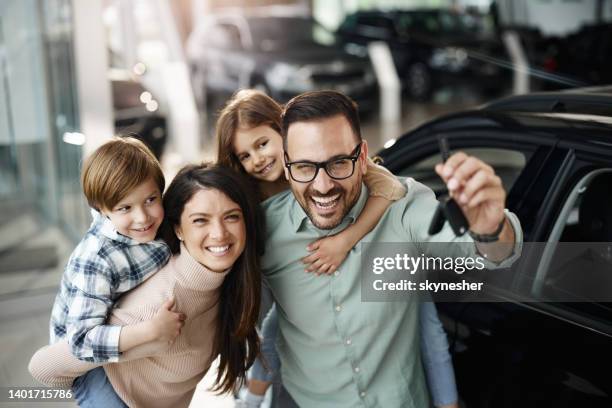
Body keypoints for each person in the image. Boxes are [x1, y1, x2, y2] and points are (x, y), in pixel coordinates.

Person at [260, 90, 522, 407]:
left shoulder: (404, 206)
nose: (323, 185)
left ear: (362, 156)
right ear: (286, 166)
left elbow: (491, 256)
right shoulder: (264, 230)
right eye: (304, 167)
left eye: (339, 162)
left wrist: (491, 228)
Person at [216, 90, 461, 408]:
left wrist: (346, 239)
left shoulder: (343, 165)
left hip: (382, 279)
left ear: (283, 133)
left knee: (424, 321)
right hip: (305, 353)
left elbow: (390, 188)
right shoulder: (254, 206)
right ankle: (253, 397)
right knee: (275, 326)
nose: (257, 160)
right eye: (244, 156)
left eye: (262, 144)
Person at [29, 164, 262, 407]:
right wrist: (145, 341)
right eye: (201, 220)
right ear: (178, 229)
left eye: (231, 216)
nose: (219, 233)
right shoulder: (159, 305)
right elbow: (42, 367)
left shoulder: (230, 285)